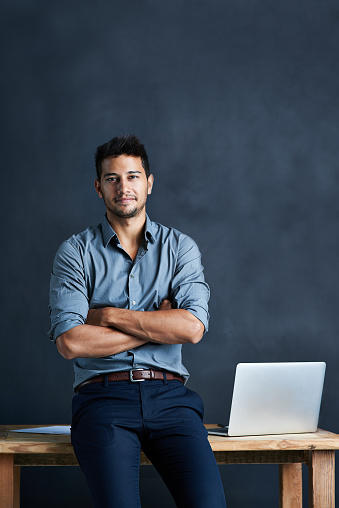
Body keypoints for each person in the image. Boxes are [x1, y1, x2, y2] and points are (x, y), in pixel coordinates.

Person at [49, 134, 226, 508]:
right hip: (102, 400)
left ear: (149, 183)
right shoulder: (75, 252)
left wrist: (109, 316)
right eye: (112, 178)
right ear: (99, 188)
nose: (123, 187)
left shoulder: (180, 248)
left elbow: (193, 327)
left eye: (132, 176)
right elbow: (71, 342)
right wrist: (158, 325)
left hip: (172, 400)